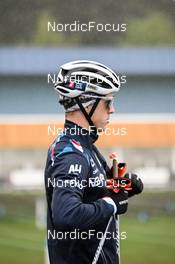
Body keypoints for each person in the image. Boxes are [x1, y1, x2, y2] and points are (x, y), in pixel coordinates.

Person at [44, 60, 143, 264]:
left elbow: (93, 190)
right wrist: (111, 204)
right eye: (108, 103)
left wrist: (121, 185)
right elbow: (67, 214)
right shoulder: (70, 153)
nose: (112, 110)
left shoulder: (86, 147)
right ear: (87, 104)